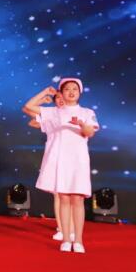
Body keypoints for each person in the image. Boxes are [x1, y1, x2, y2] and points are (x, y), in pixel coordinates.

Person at [23, 78, 98, 253]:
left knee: (77, 199)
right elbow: (28, 107)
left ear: (79, 92)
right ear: (61, 93)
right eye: (67, 89)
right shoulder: (54, 112)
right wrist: (45, 92)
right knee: (63, 198)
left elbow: (90, 132)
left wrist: (83, 125)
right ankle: (65, 239)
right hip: (60, 159)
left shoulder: (87, 112)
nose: (71, 92)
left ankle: (78, 240)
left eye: (74, 89)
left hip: (78, 160)